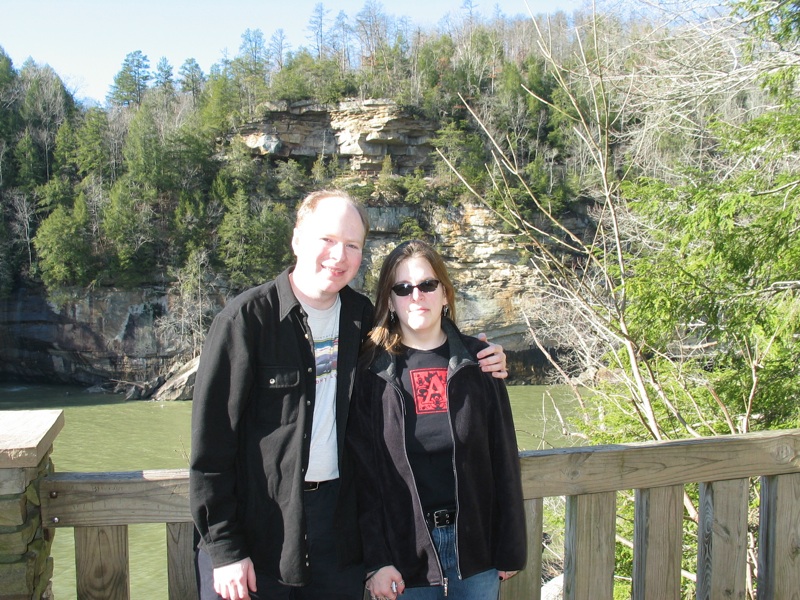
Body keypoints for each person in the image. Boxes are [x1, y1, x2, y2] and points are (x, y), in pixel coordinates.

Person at [190, 191, 509, 600]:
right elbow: (210, 449)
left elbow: (422, 339)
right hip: (259, 532)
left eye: (353, 245)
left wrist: (483, 355)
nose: (338, 256)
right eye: (327, 239)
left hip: (338, 538)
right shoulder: (245, 322)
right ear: (297, 240)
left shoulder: (364, 322)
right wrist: (224, 549)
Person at [346, 239, 527, 600]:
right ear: (390, 301)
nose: (417, 295)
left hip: (477, 553)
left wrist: (510, 546)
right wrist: (376, 562)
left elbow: (503, 458)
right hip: (403, 559)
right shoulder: (370, 372)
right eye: (403, 288)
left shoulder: (480, 363)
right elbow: (362, 477)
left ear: (445, 294)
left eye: (428, 285)